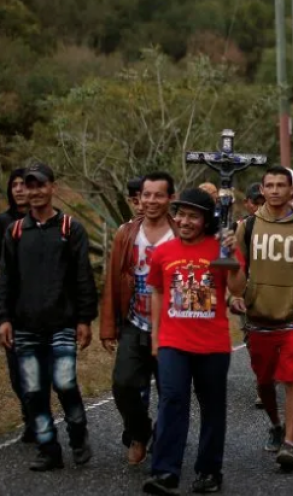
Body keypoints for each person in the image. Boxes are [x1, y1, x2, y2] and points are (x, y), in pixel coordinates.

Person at [142, 188, 243, 495]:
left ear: (206, 220)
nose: (185, 221)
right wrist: (156, 337)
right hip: (173, 341)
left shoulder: (221, 248)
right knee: (172, 400)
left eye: (193, 216)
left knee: (212, 406)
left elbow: (239, 288)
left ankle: (209, 471)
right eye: (181, 215)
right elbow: (158, 292)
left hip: (212, 344)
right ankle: (165, 471)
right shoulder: (164, 252)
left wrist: (233, 255)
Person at [0, 163, 98, 472]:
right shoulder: (15, 231)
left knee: (65, 382)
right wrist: (3, 318)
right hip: (25, 325)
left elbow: (83, 276)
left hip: (62, 323)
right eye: (29, 186)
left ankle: (78, 436)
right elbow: (5, 278)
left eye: (40, 185)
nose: (35, 191)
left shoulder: (71, 228)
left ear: (52, 187)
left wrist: (84, 319)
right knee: (33, 391)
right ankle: (48, 448)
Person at [229, 165, 293, 471]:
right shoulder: (248, 226)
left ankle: (290, 443)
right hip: (259, 317)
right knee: (263, 380)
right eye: (268, 185)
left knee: (292, 378)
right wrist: (236, 295)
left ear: (290, 190)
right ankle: (275, 423)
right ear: (262, 189)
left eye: (279, 185)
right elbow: (238, 271)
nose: (273, 191)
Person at [100, 172, 177, 466]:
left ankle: (165, 439)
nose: (152, 201)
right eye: (147, 195)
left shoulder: (179, 233)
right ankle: (139, 431)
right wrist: (108, 326)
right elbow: (113, 280)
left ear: (170, 198)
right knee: (123, 384)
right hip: (136, 322)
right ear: (139, 198)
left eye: (159, 195)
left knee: (170, 391)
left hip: (172, 327)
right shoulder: (126, 233)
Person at [0, 167, 33, 443]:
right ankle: (30, 417)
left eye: (24, 184)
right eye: (15, 185)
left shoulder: (49, 220)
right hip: (11, 309)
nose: (20, 189)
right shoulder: (3, 223)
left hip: (43, 308)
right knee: (16, 370)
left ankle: (40, 417)